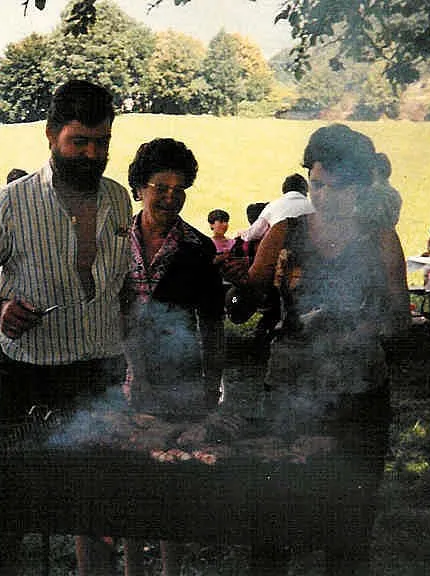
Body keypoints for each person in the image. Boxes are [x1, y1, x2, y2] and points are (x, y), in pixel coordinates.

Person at [0, 80, 132, 576]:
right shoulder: (11, 203)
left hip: (101, 378)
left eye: (102, 142)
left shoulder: (119, 199)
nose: (92, 155)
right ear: (51, 135)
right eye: (79, 142)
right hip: (31, 380)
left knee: (99, 517)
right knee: (14, 515)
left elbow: (120, 289)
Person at [230, 123, 409, 574]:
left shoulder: (381, 238)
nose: (324, 197)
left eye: (337, 187)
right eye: (316, 185)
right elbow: (249, 300)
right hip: (288, 387)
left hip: (358, 394)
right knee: (273, 511)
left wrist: (360, 328)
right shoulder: (284, 233)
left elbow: (400, 319)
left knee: (349, 519)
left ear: (360, 185)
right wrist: (236, 281)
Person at [119, 138, 225, 576]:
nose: (169, 198)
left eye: (179, 190)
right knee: (128, 479)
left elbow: (213, 325)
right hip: (121, 377)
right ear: (139, 188)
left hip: (178, 380)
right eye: (160, 188)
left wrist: (211, 386)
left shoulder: (198, 248)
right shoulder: (114, 239)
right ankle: (131, 568)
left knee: (172, 479)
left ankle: (170, 570)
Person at [238, 172, 312, 243]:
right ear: (306, 190)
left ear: (284, 190)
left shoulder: (272, 206)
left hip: (279, 247)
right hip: (309, 248)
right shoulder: (314, 206)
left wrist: (242, 234)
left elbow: (254, 233)